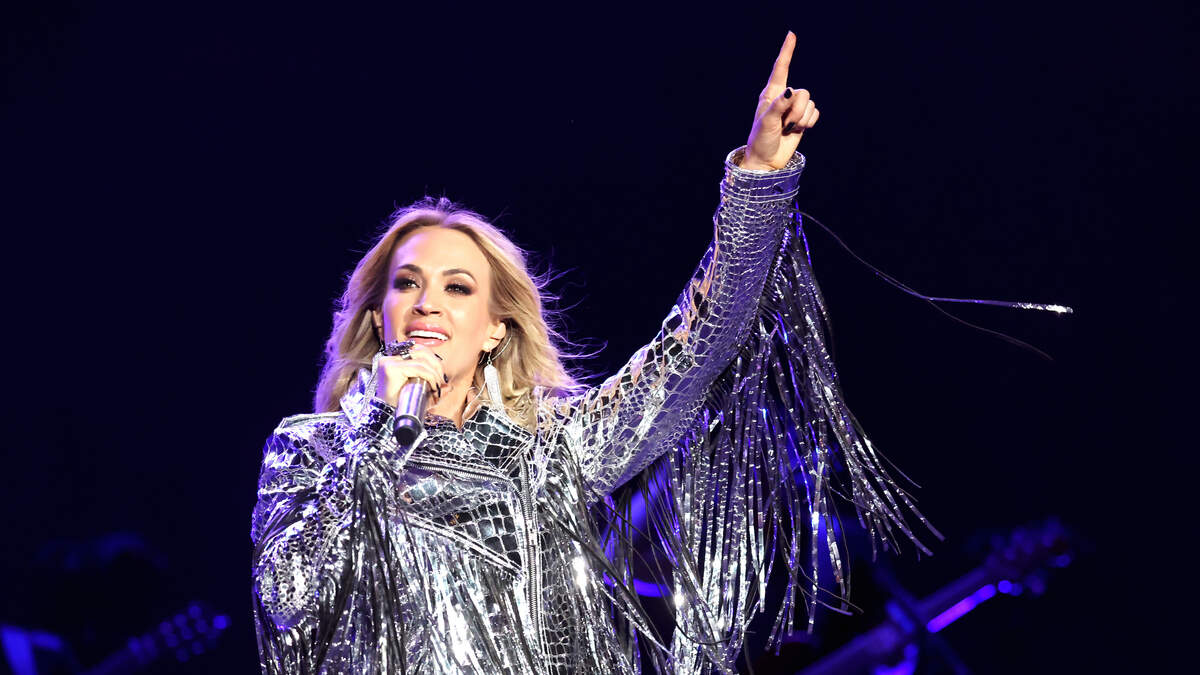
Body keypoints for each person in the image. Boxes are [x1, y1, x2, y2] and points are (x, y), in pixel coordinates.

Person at [251, 32, 937, 674]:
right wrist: (374, 432)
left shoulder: (547, 455)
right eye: (407, 283)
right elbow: (288, 603)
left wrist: (757, 177)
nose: (427, 302)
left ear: (494, 330)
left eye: (457, 287)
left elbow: (691, 353)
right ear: (379, 317)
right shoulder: (310, 451)